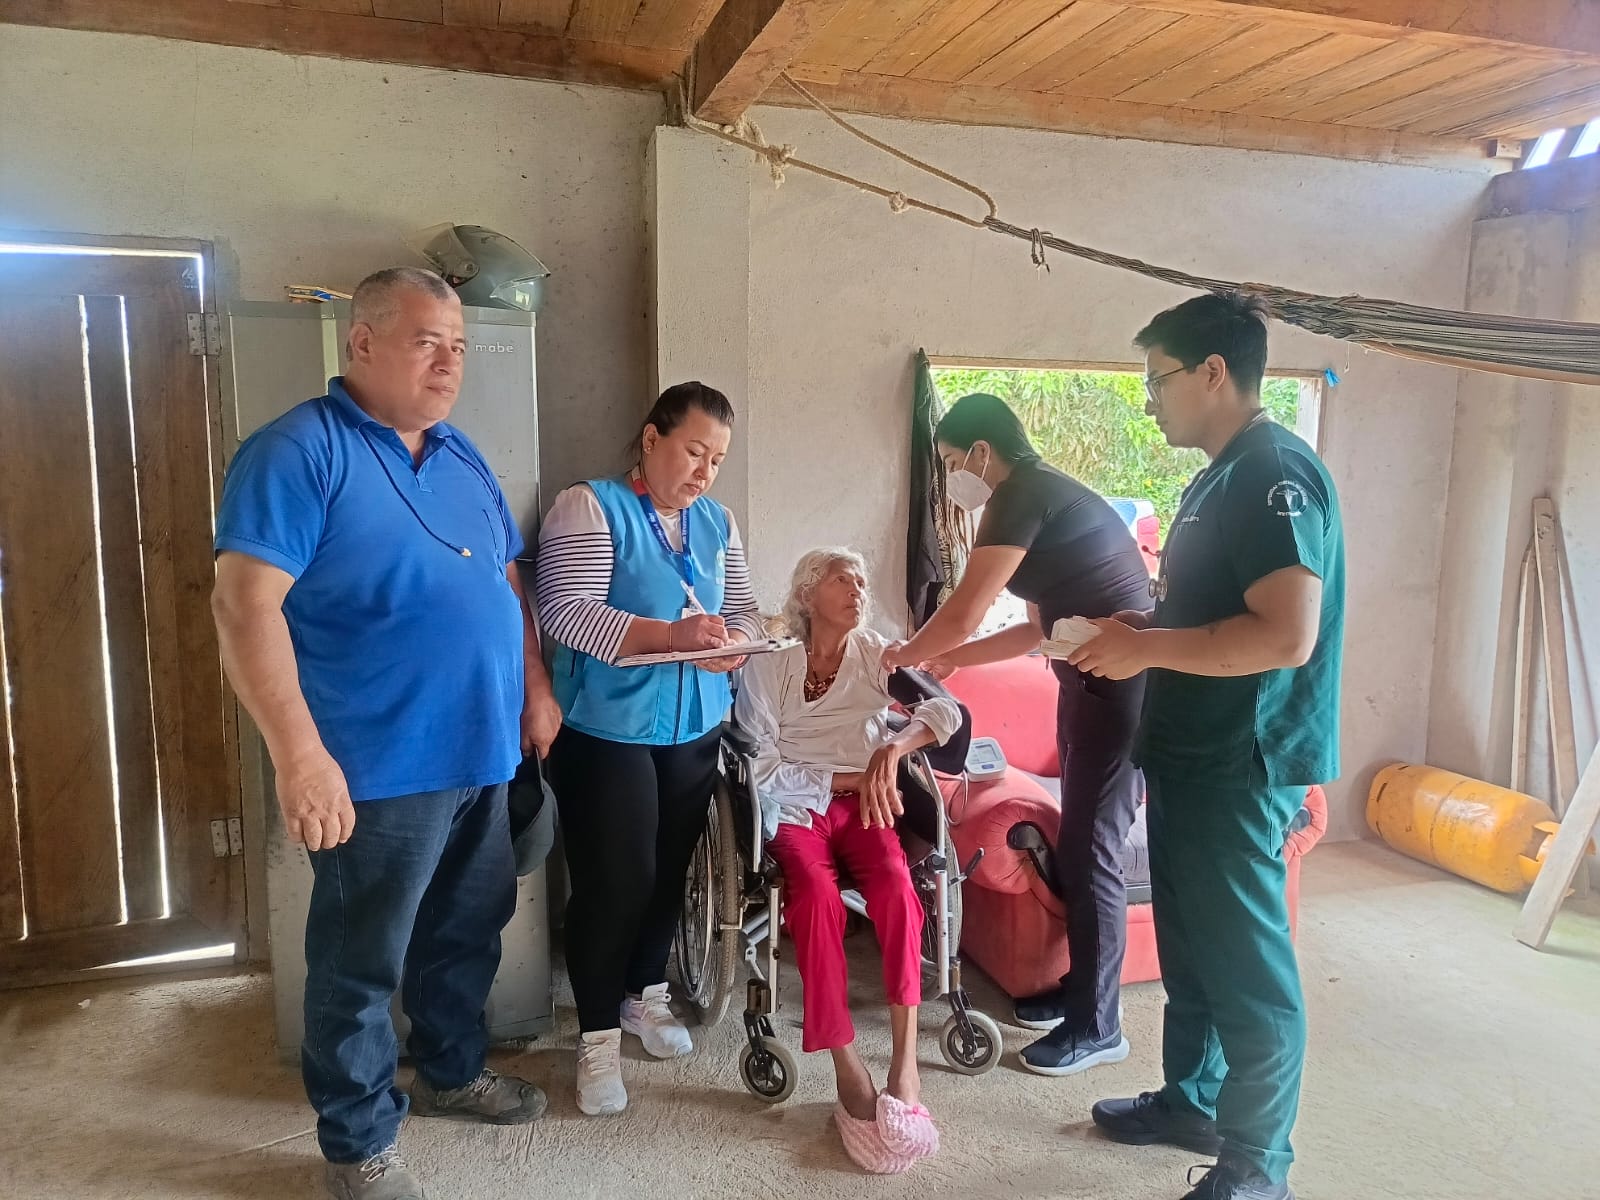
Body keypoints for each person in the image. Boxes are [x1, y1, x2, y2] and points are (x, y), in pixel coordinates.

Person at [212, 267, 559, 1200]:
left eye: (458, 347)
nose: (449, 364)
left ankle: (451, 1071)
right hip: (374, 764)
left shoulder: (459, 453)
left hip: (483, 752)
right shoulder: (296, 451)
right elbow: (245, 608)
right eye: (425, 343)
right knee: (359, 963)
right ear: (360, 342)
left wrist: (533, 686)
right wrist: (300, 756)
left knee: (468, 931)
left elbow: (506, 580)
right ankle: (358, 1141)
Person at [1074, 293, 1344, 1200]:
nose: (1150, 400)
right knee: (1191, 950)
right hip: (1189, 752)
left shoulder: (1273, 472)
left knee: (1248, 972)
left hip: (1242, 760)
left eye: (1158, 380)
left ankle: (1258, 1168)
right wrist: (1141, 629)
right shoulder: (1219, 476)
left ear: (1214, 373)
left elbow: (1286, 635)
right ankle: (1193, 1101)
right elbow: (1210, 612)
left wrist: (1147, 649)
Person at [882, 392, 1151, 1077]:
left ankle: (1099, 1026)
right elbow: (1034, 629)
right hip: (1085, 684)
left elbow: (964, 611)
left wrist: (901, 655)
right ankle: (1081, 990)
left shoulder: (1020, 494)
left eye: (952, 462)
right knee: (1080, 842)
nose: (953, 478)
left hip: (1123, 688)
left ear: (982, 451)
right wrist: (949, 660)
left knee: (1094, 850)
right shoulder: (1036, 497)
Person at [535, 381, 763, 1116]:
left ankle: (645, 994)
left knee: (670, 871)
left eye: (717, 460)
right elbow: (564, 612)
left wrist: (736, 643)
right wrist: (670, 637)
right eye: (694, 451)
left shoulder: (716, 522)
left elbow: (742, 607)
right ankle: (598, 1035)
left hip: (694, 725)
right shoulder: (590, 506)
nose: (704, 471)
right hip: (607, 729)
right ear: (651, 438)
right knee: (616, 881)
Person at [734, 549, 963, 1174]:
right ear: (808, 593)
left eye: (862, 580)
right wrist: (846, 777)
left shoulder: (878, 655)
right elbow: (761, 765)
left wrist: (893, 748)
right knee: (813, 899)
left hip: (867, 801)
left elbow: (945, 709)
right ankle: (845, 1064)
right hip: (796, 806)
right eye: (843, 579)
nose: (858, 589)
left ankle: (904, 1063)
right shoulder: (770, 665)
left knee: (897, 890)